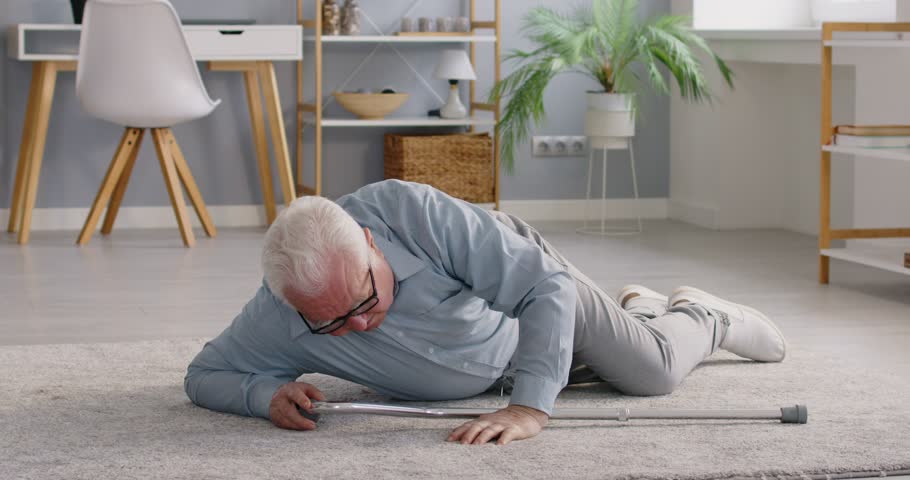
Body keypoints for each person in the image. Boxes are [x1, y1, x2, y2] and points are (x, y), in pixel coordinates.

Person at [185, 180, 786, 445]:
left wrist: (528, 408)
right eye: (332, 323)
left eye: (365, 301)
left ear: (370, 242)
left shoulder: (417, 214)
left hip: (539, 302)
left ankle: (706, 317)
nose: (360, 324)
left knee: (649, 375)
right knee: (605, 372)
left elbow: (543, 288)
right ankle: (643, 309)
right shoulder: (281, 310)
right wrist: (262, 397)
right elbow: (203, 374)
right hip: (490, 359)